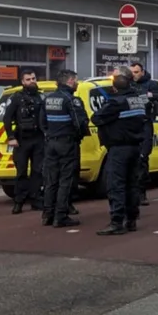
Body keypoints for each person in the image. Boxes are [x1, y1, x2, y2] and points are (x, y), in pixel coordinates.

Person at [92, 71, 148, 235]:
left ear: (115, 88)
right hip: (135, 147)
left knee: (116, 185)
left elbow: (96, 118)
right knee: (132, 185)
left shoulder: (116, 103)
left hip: (119, 149)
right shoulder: (138, 100)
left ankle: (117, 222)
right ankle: (131, 220)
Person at [39, 70, 88, 228]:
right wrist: (77, 136)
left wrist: (49, 134)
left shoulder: (47, 99)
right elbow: (80, 123)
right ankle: (61, 215)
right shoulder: (71, 100)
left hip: (51, 142)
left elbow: (42, 122)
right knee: (66, 180)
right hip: (67, 143)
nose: (77, 84)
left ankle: (47, 214)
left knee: (51, 180)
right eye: (76, 81)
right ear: (70, 81)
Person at [129, 62, 158, 206]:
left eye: (136, 72)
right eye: (132, 72)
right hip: (130, 126)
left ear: (142, 72)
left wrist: (151, 95)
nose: (134, 75)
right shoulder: (127, 84)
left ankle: (141, 193)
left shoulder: (151, 84)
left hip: (145, 124)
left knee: (142, 158)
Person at [3, 69, 44, 214]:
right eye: (28, 79)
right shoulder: (17, 98)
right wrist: (11, 137)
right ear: (22, 82)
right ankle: (19, 201)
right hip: (22, 139)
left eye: (33, 78)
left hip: (38, 138)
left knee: (38, 171)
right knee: (21, 172)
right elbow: (7, 118)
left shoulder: (40, 97)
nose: (32, 81)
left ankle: (36, 200)